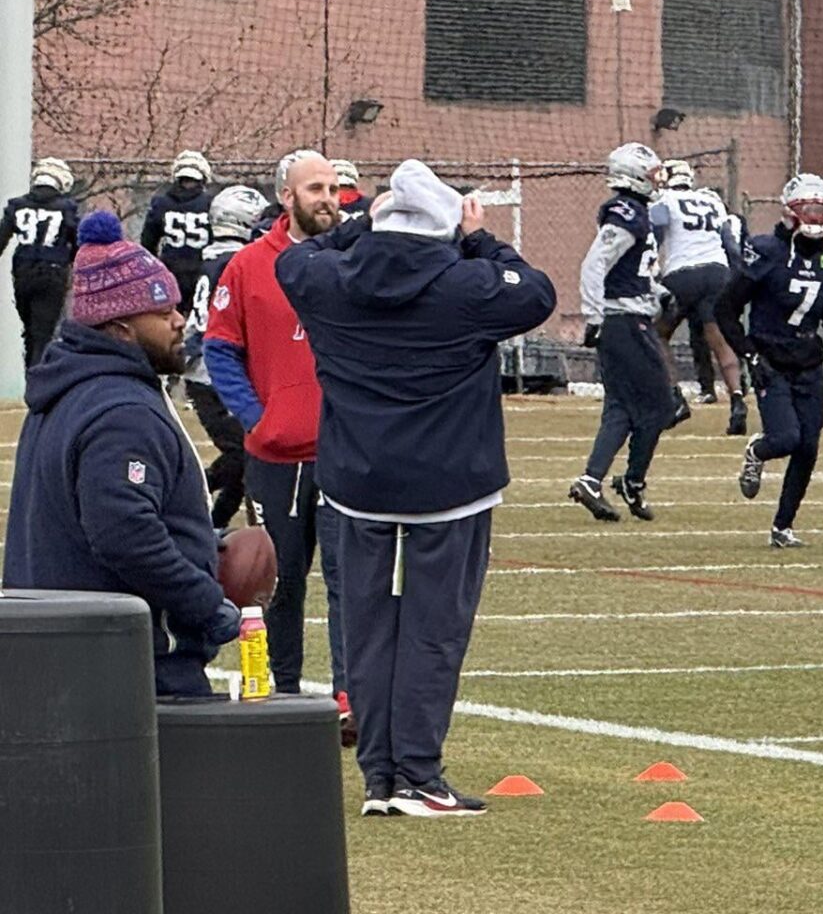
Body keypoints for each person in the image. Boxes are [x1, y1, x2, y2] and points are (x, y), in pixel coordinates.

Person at [277, 158, 555, 818]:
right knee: (434, 629)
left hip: (356, 479)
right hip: (449, 482)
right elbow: (536, 291)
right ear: (442, 231)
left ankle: (380, 777)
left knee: (368, 631)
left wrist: (356, 230)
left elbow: (297, 254)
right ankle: (420, 775)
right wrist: (478, 238)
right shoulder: (468, 286)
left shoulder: (324, 280)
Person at [3, 211, 239, 696]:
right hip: (131, 665)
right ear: (122, 328)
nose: (179, 322)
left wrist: (198, 539)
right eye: (162, 311)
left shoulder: (69, 391)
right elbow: (123, 532)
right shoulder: (121, 410)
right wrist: (206, 603)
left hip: (67, 655)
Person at [203, 151, 349, 726]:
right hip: (274, 455)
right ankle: (282, 697)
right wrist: (254, 418)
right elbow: (219, 349)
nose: (328, 198)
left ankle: (349, 699)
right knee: (276, 583)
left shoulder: (354, 262)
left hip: (345, 456)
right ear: (286, 197)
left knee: (348, 582)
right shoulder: (245, 267)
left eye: (334, 188)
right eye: (315, 188)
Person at [720, 174, 823, 547]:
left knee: (808, 445)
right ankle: (757, 451)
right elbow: (726, 308)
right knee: (785, 438)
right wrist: (749, 354)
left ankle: (783, 526)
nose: (815, 216)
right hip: (770, 357)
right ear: (790, 211)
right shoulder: (766, 251)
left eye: (821, 209)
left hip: (808, 359)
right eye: (808, 208)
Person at [569, 143, 677, 523]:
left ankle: (591, 479)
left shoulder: (638, 213)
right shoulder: (626, 213)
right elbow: (595, 264)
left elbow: (630, 270)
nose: (657, 181)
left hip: (627, 316)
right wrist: (594, 316)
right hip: (625, 321)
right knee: (663, 406)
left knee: (619, 407)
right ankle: (632, 480)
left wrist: (659, 291)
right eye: (651, 174)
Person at [185, 185, 269, 530]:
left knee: (246, 457)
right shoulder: (238, 261)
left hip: (204, 368)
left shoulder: (212, 255)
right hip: (213, 372)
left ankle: (213, 525)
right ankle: (188, 495)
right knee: (243, 454)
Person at [652, 160, 749, 434]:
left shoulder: (665, 201)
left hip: (682, 273)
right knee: (719, 339)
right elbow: (728, 241)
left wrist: (652, 271)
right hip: (717, 271)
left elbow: (654, 236)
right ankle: (738, 401)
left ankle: (675, 397)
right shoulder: (712, 202)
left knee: (657, 334)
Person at [2, 157, 81, 367]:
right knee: (43, 333)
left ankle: (32, 373)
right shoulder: (66, 208)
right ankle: (38, 380)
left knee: (30, 331)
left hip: (23, 273)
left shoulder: (17, 205)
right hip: (53, 272)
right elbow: (77, 243)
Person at [140, 149, 214, 316]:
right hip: (202, 272)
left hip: (170, 271)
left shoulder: (161, 203)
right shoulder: (210, 204)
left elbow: (147, 243)